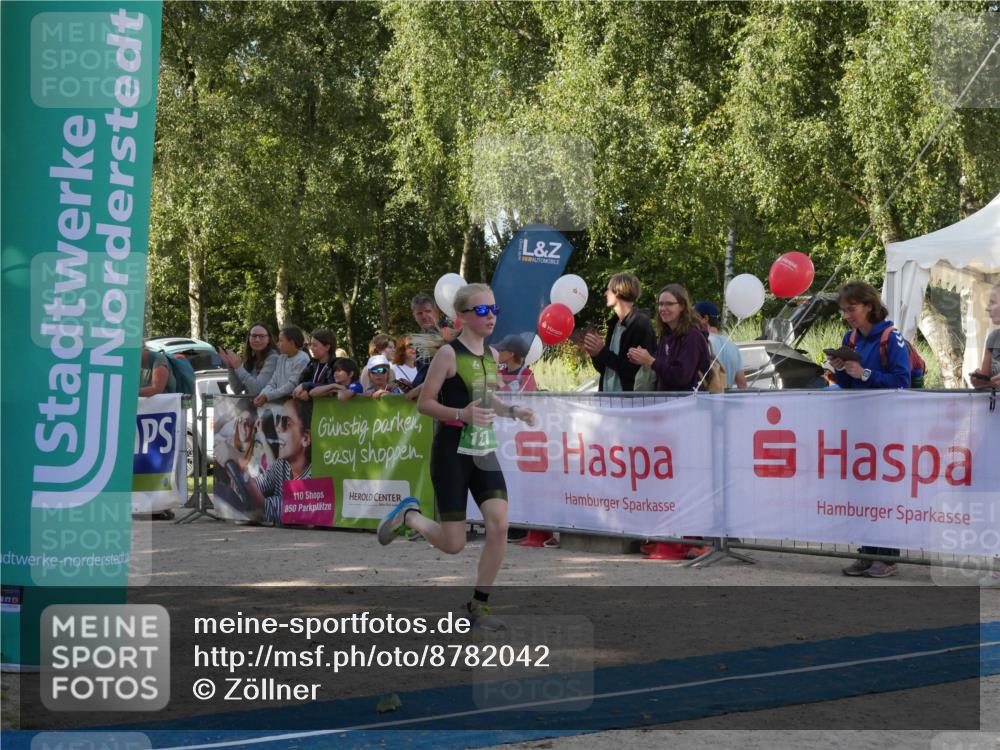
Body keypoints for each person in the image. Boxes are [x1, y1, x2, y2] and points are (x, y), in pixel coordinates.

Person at [376, 283, 536, 629]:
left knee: (499, 525)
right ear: (462, 317)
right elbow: (424, 403)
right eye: (482, 311)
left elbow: (486, 400)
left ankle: (479, 606)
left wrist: (513, 410)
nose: (490, 316)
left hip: (484, 451)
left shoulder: (492, 356)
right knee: (454, 544)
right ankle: (411, 518)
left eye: (494, 309)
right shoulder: (448, 355)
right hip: (451, 452)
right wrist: (461, 415)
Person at [828, 281, 910, 578]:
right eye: (844, 310)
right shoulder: (850, 338)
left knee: (884, 492)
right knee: (861, 490)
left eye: (851, 309)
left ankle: (886, 557)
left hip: (887, 427)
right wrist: (840, 368)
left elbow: (902, 382)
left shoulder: (891, 336)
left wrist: (865, 373)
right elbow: (849, 385)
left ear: (868, 306)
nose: (847, 315)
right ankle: (867, 552)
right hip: (860, 425)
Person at [627, 284, 711, 391]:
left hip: (688, 404)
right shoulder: (666, 334)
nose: (663, 308)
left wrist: (650, 361)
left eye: (669, 304)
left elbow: (682, 377)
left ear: (682, 306)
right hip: (667, 403)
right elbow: (661, 366)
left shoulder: (693, 336)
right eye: (660, 304)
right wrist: (642, 359)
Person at [583, 272, 656, 392]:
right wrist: (595, 354)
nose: (605, 293)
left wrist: (602, 352)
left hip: (629, 403)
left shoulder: (640, 325)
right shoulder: (614, 324)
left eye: (608, 290)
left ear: (618, 291)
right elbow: (606, 369)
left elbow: (636, 372)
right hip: (609, 401)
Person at [245, 398, 312, 525]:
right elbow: (263, 483)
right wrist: (244, 483)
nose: (278, 428)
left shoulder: (313, 476)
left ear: (305, 438)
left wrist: (237, 464)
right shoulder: (282, 464)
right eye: (278, 420)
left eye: (286, 422)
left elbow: (277, 507)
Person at [694, 301, 748, 389]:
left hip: (706, 400)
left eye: (693, 318)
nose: (690, 322)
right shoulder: (732, 346)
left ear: (705, 318)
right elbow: (742, 384)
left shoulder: (701, 342)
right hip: (727, 400)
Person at [253, 326, 310, 407]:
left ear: (291, 343)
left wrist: (268, 396)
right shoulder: (281, 358)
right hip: (280, 404)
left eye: (281, 341)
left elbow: (291, 385)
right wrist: (262, 394)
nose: (278, 344)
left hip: (294, 407)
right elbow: (273, 381)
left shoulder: (302, 359)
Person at [220, 323, 280, 397]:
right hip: (251, 407)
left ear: (269, 339)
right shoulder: (252, 360)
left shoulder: (273, 358)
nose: (257, 340)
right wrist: (231, 367)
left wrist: (238, 367)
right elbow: (237, 389)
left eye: (261, 336)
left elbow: (257, 390)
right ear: (249, 339)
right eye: (254, 336)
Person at [292, 329, 337, 401]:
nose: (311, 348)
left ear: (327, 347)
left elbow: (332, 387)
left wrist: (307, 387)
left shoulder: (336, 366)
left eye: (315, 345)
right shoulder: (312, 364)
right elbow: (301, 382)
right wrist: (304, 391)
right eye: (310, 345)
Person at [971, 283, 1000, 389]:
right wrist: (979, 381)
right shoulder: (993, 338)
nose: (987, 308)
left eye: (992, 302)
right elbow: (986, 382)